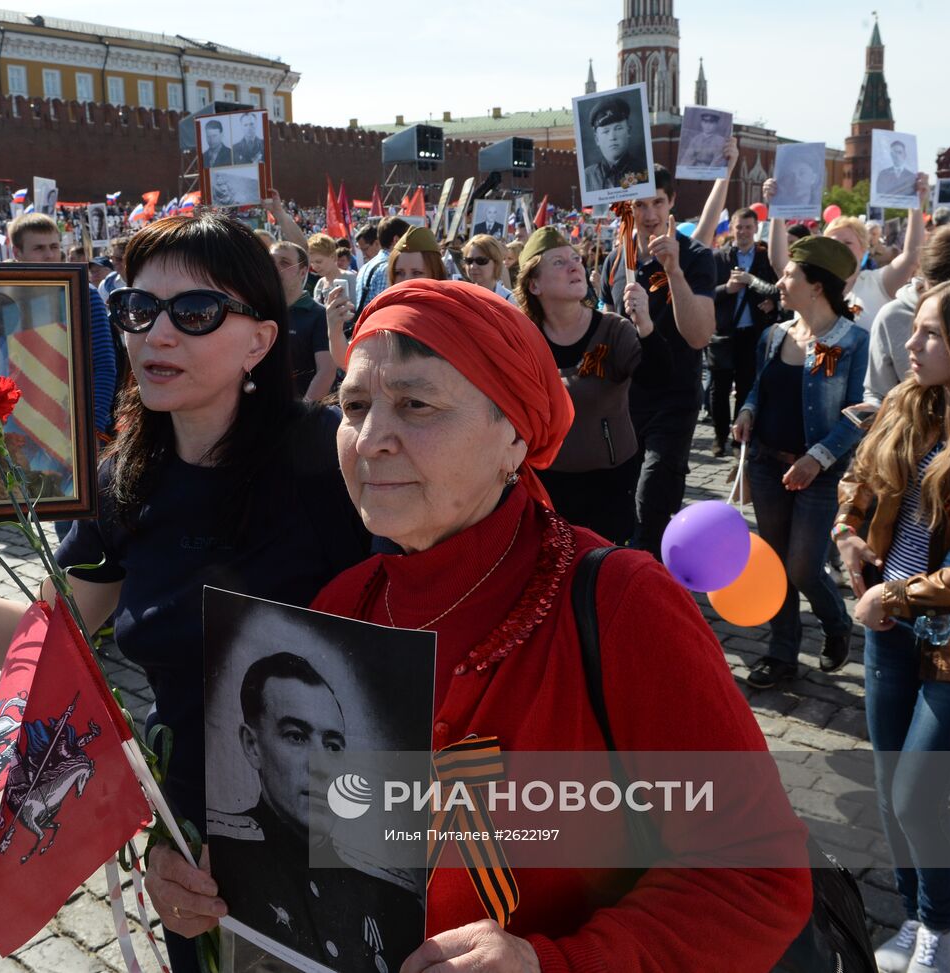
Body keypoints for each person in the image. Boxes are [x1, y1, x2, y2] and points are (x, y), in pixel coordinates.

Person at [150, 279, 813, 970]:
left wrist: (550, 962)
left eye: (416, 403)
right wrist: (214, 877)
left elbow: (758, 879)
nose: (372, 438)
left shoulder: (621, 600)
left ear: (513, 438)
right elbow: (333, 848)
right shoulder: (343, 606)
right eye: (353, 405)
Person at [0, 213, 371, 973]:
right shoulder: (127, 482)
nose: (156, 334)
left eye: (194, 313)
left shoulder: (334, 460)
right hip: (190, 845)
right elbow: (44, 641)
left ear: (260, 338)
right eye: (137, 309)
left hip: (339, 840)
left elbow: (421, 661)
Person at [834, 277, 950, 973]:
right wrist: (849, 534)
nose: (910, 341)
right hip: (889, 626)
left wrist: (897, 595)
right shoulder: (909, 401)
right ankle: (911, 913)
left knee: (917, 793)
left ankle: (942, 922)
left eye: (931, 332)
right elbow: (861, 479)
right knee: (887, 787)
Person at [208, 651, 422, 973]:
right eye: (296, 736)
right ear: (252, 746)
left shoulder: (390, 895)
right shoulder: (220, 857)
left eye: (333, 745)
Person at [732, 237, 869, 689]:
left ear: (816, 287)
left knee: (804, 567)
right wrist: (747, 411)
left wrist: (817, 458)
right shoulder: (775, 334)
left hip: (819, 474)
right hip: (768, 467)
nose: (780, 281)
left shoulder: (852, 341)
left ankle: (836, 622)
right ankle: (781, 653)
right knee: (775, 564)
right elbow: (758, 387)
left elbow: (859, 413)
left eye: (791, 274)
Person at [516, 226, 670, 542]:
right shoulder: (523, 340)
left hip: (609, 481)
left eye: (576, 258)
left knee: (601, 569)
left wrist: (646, 327)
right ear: (534, 284)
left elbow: (657, 380)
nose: (575, 266)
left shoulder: (614, 330)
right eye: (558, 262)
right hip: (545, 481)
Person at [599, 166, 717, 557]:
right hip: (624, 403)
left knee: (652, 505)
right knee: (619, 510)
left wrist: (674, 271)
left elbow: (699, 335)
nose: (649, 214)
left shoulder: (697, 257)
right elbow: (605, 326)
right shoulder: (616, 261)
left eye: (657, 203)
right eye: (639, 204)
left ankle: (653, 593)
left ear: (671, 203)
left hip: (674, 400)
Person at [766, 178, 927, 331]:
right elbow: (779, 262)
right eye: (832, 242)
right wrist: (776, 208)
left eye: (847, 243)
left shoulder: (877, 282)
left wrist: (916, 205)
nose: (839, 249)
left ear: (863, 248)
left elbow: (912, 257)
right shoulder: (808, 282)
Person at [8, 212, 117, 436]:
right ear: (17, 252)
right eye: (39, 248)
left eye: (54, 246)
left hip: (73, 427)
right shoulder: (3, 301)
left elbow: (104, 367)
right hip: (19, 427)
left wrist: (92, 430)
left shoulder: (85, 295)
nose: (49, 255)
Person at [865, 224, 950, 406]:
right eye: (938, 288)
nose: (912, 344)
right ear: (924, 274)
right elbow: (877, 392)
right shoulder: (893, 316)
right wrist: (877, 415)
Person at [710, 206, 780, 456]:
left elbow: (777, 288)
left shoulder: (765, 257)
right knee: (719, 388)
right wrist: (726, 289)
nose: (743, 232)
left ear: (755, 228)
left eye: (748, 227)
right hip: (723, 332)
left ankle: (738, 437)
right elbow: (705, 294)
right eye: (739, 227)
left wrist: (774, 303)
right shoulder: (719, 257)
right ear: (732, 229)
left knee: (745, 386)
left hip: (753, 331)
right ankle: (719, 436)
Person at [270, 241, 335, 400]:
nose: (275, 268)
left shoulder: (319, 315)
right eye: (271, 262)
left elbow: (326, 371)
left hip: (300, 415)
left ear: (302, 272)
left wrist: (303, 415)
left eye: (284, 263)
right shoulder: (262, 310)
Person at [583, 96, 648, 192]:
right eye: (606, 131)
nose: (612, 137)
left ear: (628, 131)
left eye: (618, 128)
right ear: (597, 139)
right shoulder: (588, 177)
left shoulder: (645, 172)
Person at [356, 216, 411, 313]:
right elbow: (387, 310)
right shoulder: (388, 267)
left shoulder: (366, 267)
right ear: (396, 240)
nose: (409, 244)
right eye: (407, 239)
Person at [307, 233, 358, 310]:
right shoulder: (320, 284)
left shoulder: (350, 278)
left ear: (333, 257)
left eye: (319, 261)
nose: (314, 267)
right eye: (312, 262)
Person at [461, 234, 513, 299]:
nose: (473, 266)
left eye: (481, 260)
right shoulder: (462, 297)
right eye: (469, 260)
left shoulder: (509, 300)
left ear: (496, 263)